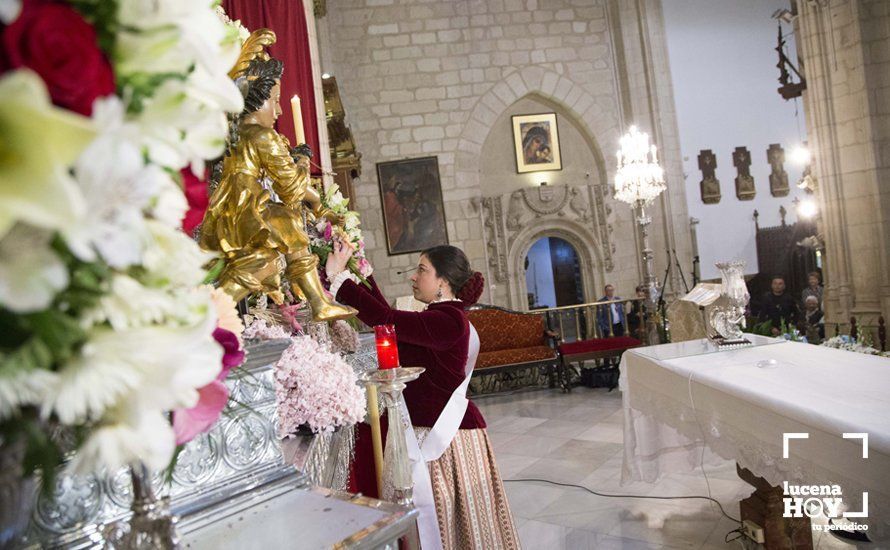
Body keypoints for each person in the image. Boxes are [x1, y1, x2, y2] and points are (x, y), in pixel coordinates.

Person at [325, 239, 520, 550]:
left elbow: (386, 320)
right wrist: (360, 271)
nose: (413, 277)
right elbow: (389, 321)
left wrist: (339, 280)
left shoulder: (447, 320)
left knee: (448, 522)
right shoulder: (443, 316)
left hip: (446, 438)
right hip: (434, 429)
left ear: (442, 282)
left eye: (422, 270)